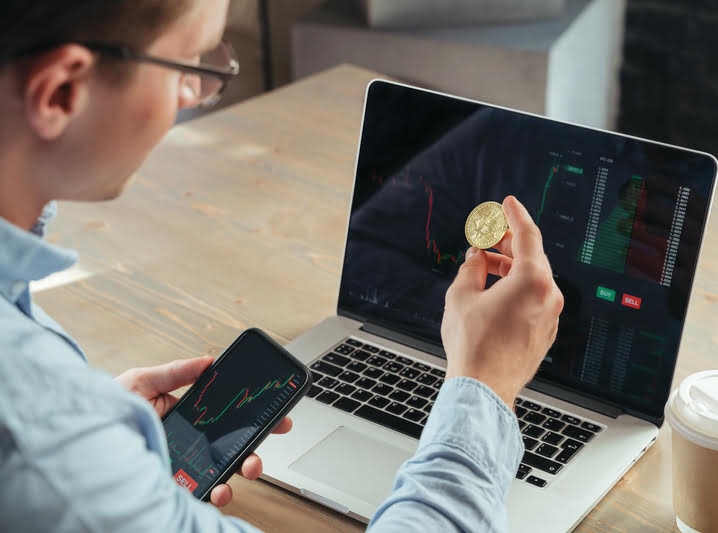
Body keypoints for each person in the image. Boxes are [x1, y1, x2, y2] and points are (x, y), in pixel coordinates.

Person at [0, 1, 563, 532]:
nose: (195, 93)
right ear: (60, 92)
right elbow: (43, 444)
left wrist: (109, 446)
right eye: (186, 64)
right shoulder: (47, 442)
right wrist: (484, 387)